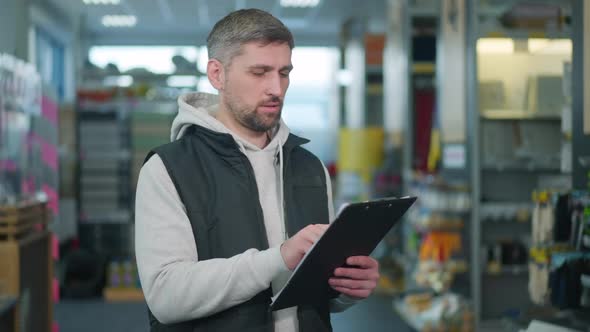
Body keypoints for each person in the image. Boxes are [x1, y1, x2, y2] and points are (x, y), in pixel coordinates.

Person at [135, 8, 380, 332]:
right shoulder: (167, 169)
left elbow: (317, 288)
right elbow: (165, 297)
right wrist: (277, 258)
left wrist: (348, 287)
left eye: (284, 72)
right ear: (217, 74)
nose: (276, 89)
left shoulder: (310, 168)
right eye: (260, 72)